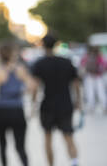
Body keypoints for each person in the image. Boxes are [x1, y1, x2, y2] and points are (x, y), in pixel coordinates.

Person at [31, 33, 82, 166]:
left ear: (43, 45)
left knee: (48, 138)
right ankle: (74, 162)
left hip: (48, 105)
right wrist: (78, 101)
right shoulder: (67, 62)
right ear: (56, 44)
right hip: (65, 104)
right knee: (68, 137)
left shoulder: (40, 64)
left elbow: (35, 87)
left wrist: (33, 104)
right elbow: (76, 84)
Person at [0, 43, 34, 166]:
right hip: (17, 111)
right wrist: (20, 91)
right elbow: (32, 86)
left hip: (1, 111)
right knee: (20, 146)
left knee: (2, 146)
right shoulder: (20, 70)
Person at [80, 45, 106, 113]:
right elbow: (104, 66)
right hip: (98, 76)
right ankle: (104, 107)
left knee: (90, 92)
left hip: (89, 76)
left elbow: (82, 65)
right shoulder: (99, 56)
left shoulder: (87, 56)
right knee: (101, 92)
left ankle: (91, 107)